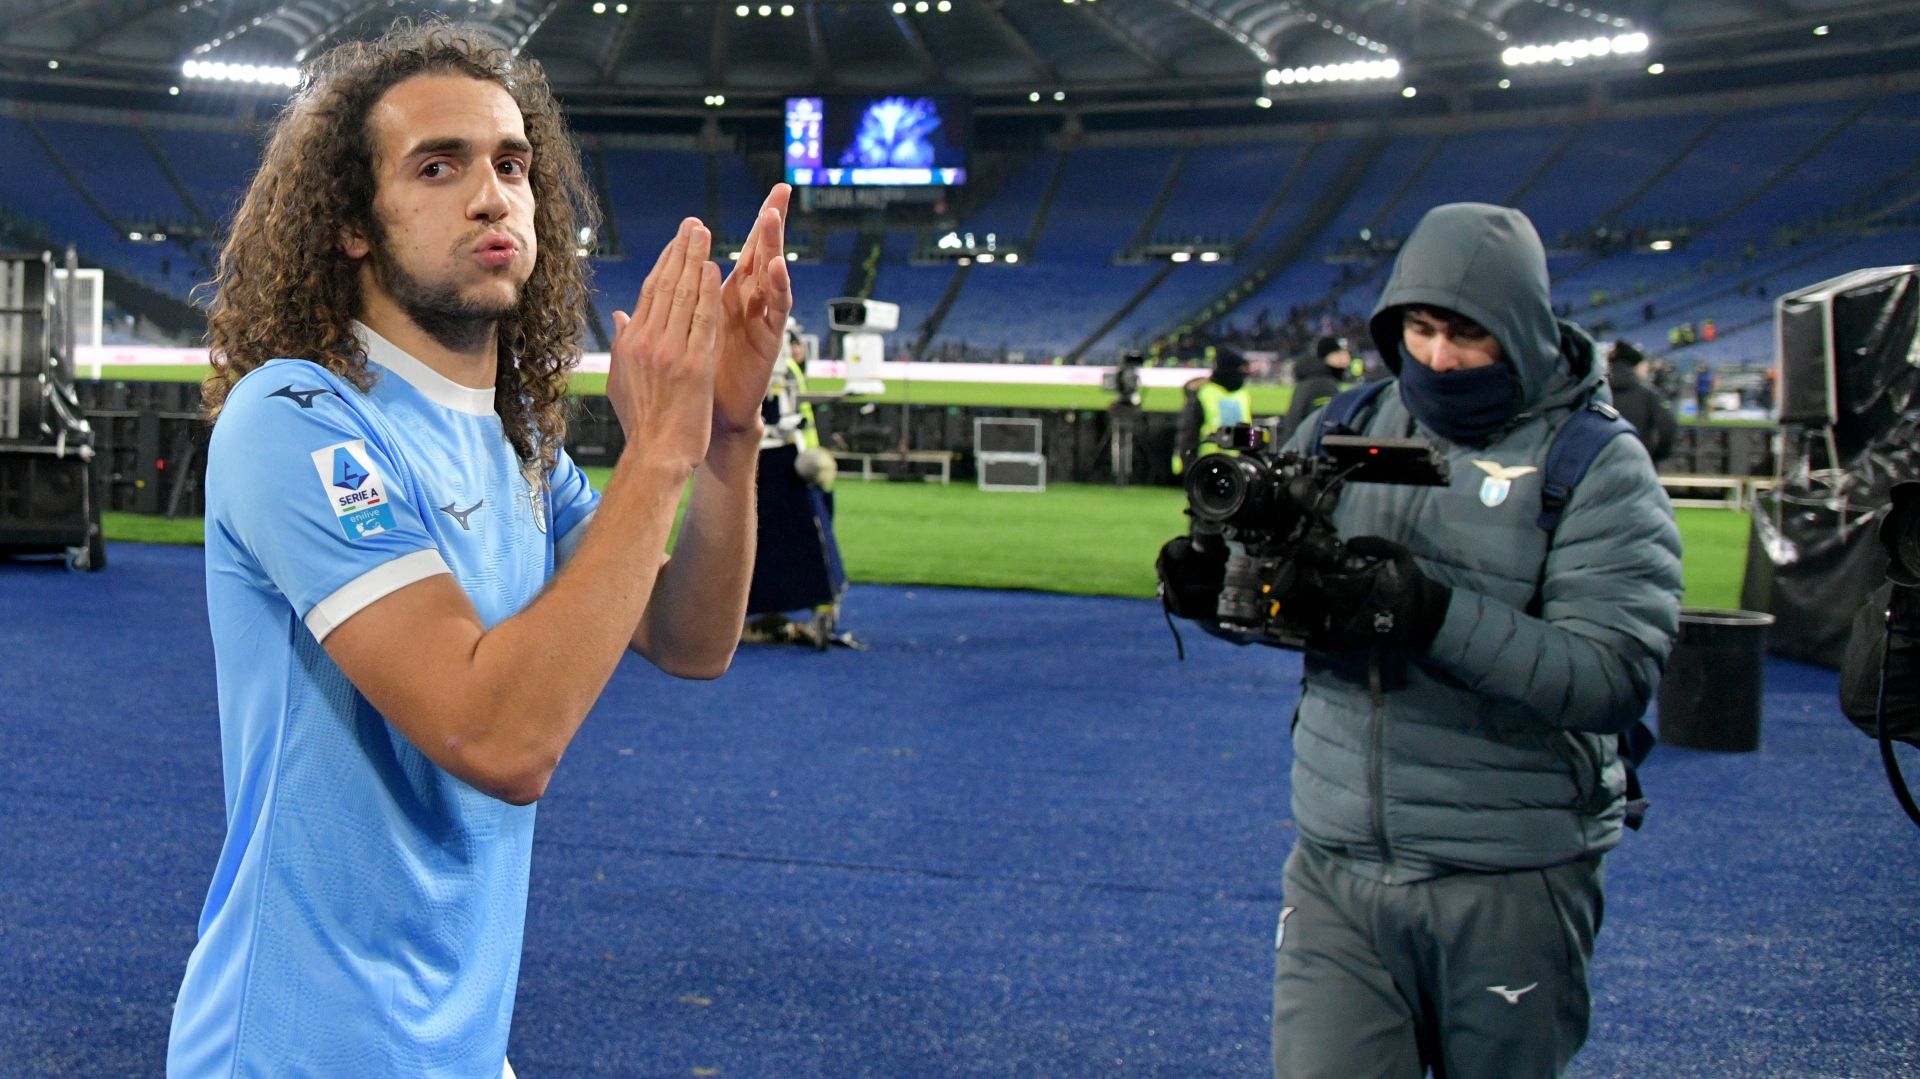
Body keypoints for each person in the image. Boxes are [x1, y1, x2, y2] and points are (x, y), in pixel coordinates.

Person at [166, 24, 793, 1077]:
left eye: (512, 163)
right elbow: (499, 737)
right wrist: (659, 454)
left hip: (456, 1047)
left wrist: (727, 438)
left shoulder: (520, 444)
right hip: (299, 1049)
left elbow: (690, 636)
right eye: (437, 165)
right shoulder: (298, 413)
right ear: (352, 224)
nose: (492, 193)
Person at [1172, 203, 1681, 1078]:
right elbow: (1282, 594)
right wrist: (1215, 591)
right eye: (1420, 327)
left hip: (1508, 871)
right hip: (1335, 859)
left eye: (1465, 335)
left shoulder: (1597, 463)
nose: (1437, 358)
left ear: (1520, 331)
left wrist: (1429, 614)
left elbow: (1611, 674)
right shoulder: (1351, 420)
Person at [1172, 345, 1252, 476]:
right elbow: (1188, 434)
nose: (1243, 374)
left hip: (1236, 468)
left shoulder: (1243, 395)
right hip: (1205, 466)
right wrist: (1190, 467)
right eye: (1241, 369)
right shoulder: (1204, 393)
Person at [1606, 340, 1678, 465]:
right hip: (1639, 463)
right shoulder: (1648, 394)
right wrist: (1655, 457)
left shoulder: (1595, 392)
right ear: (1636, 365)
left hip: (1602, 467)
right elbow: (1668, 428)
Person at [1282, 335, 1349, 439]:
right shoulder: (1322, 384)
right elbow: (1324, 424)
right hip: (1312, 448)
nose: (1346, 358)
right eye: (1339, 352)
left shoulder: (1311, 379)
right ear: (1328, 355)